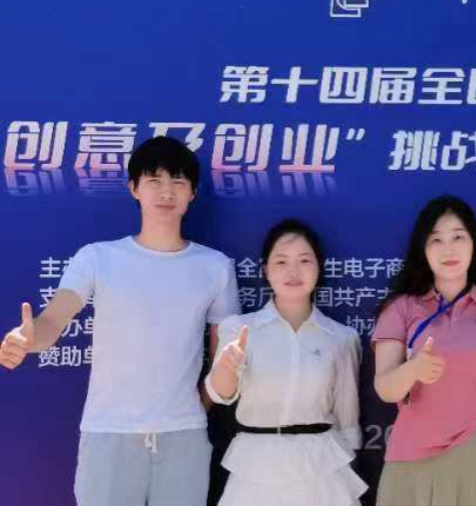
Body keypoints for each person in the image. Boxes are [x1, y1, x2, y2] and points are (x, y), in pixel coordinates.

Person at [1, 136, 241, 506]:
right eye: (154, 180)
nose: (166, 192)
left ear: (192, 192)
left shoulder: (215, 267)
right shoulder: (98, 258)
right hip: (107, 434)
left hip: (184, 437)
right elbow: (54, 319)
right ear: (134, 188)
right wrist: (28, 339)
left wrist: (199, 407)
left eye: (178, 181)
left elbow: (225, 354)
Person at [372, 195, 476, 506]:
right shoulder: (400, 308)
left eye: (458, 237)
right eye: (436, 240)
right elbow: (385, 388)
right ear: (423, 249)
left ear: (474, 244)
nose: (448, 249)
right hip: (409, 459)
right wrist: (412, 370)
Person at [207, 218, 367, 506]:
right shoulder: (240, 329)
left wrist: (350, 464)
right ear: (266, 269)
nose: (293, 271)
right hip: (256, 464)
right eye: (281, 262)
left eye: (304, 260)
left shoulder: (341, 337)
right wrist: (228, 365)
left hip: (322, 465)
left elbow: (347, 417)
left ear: (319, 267)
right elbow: (221, 394)